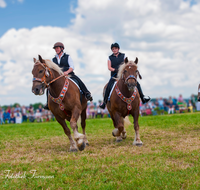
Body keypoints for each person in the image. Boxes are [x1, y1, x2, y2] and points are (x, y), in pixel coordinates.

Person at [100, 42, 150, 109]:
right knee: (109, 86)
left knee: (137, 83)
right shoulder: (110, 57)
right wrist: (115, 70)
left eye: (115, 48)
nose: (114, 50)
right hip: (115, 75)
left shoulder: (123, 55)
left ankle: (143, 97)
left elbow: (126, 64)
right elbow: (109, 67)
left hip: (123, 74)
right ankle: (105, 102)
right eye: (113, 49)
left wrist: (123, 70)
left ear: (118, 49)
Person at [44, 42, 93, 110]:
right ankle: (47, 103)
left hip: (69, 74)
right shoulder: (53, 59)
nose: (56, 49)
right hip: (58, 77)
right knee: (49, 87)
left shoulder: (67, 57)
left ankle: (87, 93)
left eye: (57, 48)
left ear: (62, 48)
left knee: (78, 80)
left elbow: (72, 67)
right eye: (55, 48)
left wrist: (67, 72)